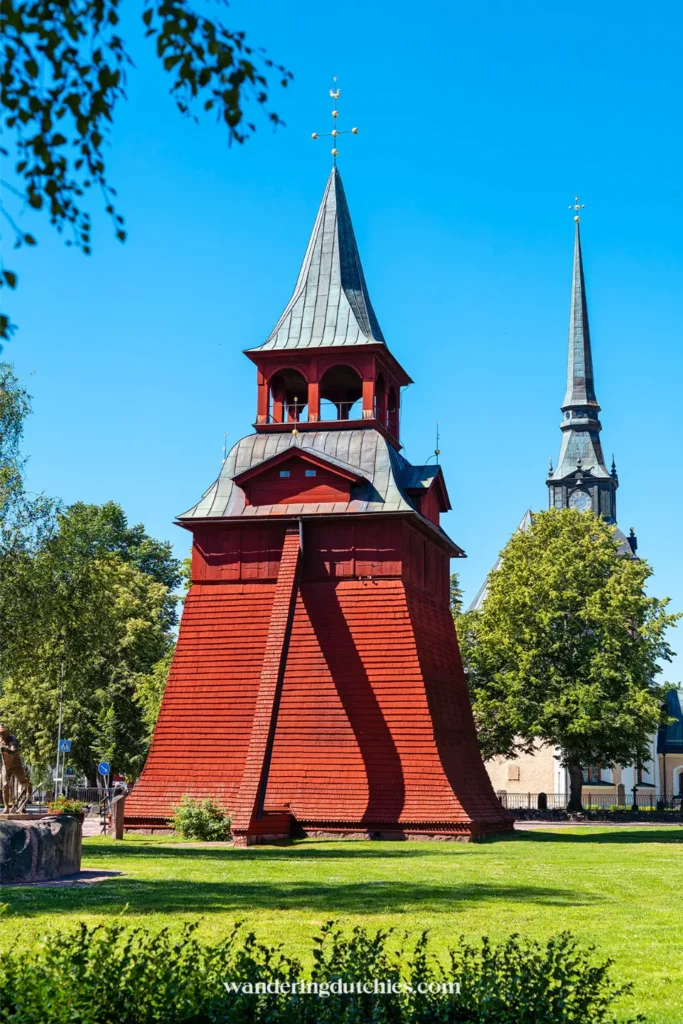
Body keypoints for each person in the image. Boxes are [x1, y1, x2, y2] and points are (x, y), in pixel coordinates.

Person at [0, 724, 32, 814]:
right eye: (0, 733)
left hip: (16, 766)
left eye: (3, 733)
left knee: (23, 782)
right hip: (5, 766)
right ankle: (6, 807)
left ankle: (29, 785)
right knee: (5, 786)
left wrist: (6, 750)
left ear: (7, 732)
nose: (1, 735)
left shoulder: (13, 739)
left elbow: (13, 751)